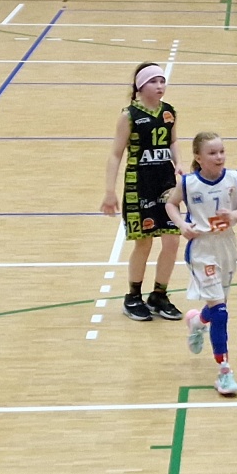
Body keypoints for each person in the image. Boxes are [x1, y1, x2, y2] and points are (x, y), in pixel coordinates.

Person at [165, 132, 237, 398]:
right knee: (221, 312)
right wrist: (182, 225)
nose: (219, 157)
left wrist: (234, 215)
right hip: (202, 249)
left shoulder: (233, 178)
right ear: (198, 157)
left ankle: (198, 321)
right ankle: (224, 371)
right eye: (212, 153)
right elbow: (171, 204)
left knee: (217, 306)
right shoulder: (188, 183)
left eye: (222, 151)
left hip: (226, 246)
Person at [100, 63, 183, 321]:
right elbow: (115, 155)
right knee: (144, 242)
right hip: (140, 184)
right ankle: (133, 296)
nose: (160, 86)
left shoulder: (169, 112)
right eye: (154, 81)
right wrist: (109, 191)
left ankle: (159, 295)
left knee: (172, 240)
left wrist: (179, 163)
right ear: (140, 86)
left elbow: (173, 141)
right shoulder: (129, 115)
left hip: (166, 184)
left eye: (162, 81)